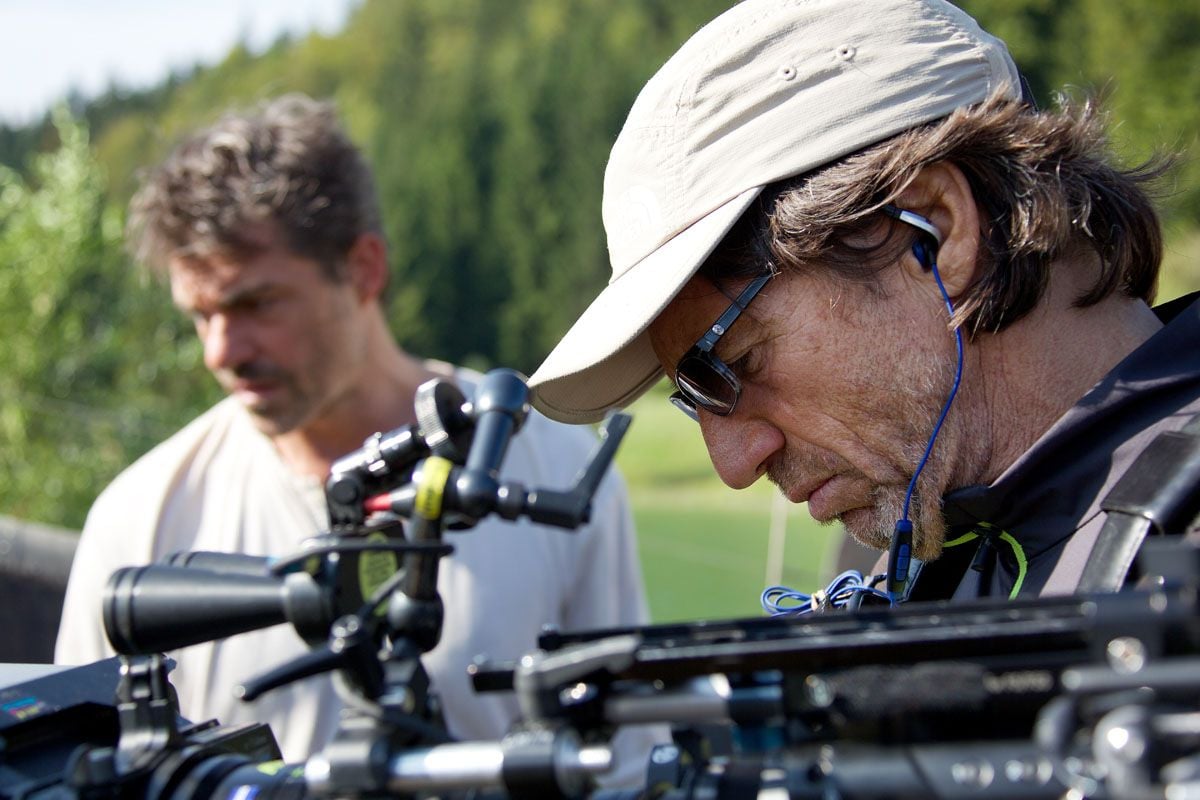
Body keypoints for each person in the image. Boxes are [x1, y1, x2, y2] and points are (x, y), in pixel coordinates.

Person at [54, 94, 660, 781]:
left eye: (255, 303)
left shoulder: (550, 461)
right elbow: (68, 772)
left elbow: (629, 767)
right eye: (200, 315)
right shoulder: (139, 517)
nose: (221, 351)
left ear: (364, 268)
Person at [529, 0, 1198, 603]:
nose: (734, 465)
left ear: (937, 230)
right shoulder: (935, 553)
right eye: (695, 397)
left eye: (739, 360)